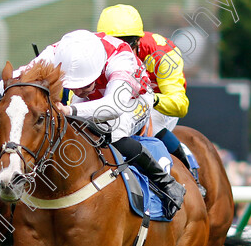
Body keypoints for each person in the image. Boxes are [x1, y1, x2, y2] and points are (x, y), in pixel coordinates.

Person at [23, 29, 185, 218]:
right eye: (74, 85)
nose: (78, 90)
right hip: (99, 97)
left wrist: (69, 110)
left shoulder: (122, 59)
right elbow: (7, 81)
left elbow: (113, 108)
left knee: (112, 133)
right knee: (69, 130)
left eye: (84, 84)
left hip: (132, 100)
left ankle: (166, 182)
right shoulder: (63, 50)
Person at [97, 4, 204, 195]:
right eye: (112, 44)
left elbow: (180, 105)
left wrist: (151, 99)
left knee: (149, 117)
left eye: (126, 44)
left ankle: (188, 176)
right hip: (118, 96)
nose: (119, 51)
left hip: (156, 102)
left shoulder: (164, 54)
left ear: (138, 42)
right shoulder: (94, 51)